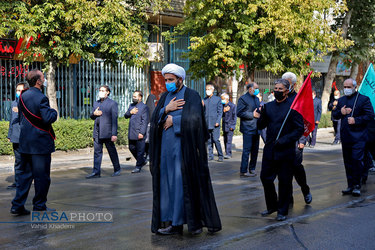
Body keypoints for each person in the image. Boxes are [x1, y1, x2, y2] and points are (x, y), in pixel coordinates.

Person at [149, 63, 221, 235]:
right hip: (165, 151)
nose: (168, 83)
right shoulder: (165, 96)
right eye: (166, 80)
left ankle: (181, 223)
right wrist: (166, 109)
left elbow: (197, 120)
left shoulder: (192, 95)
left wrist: (176, 121)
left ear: (180, 80)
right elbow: (155, 118)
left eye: (171, 80)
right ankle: (171, 222)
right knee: (167, 186)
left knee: (182, 186)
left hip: (183, 150)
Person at [11, 69, 57, 215]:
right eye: (43, 78)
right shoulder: (41, 97)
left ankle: (17, 205)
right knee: (42, 177)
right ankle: (39, 206)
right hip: (40, 144)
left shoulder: (23, 96)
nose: (44, 80)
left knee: (24, 176)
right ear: (38, 81)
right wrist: (54, 112)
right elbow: (47, 118)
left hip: (25, 142)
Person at [257, 79, 304, 221]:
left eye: (280, 89)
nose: (277, 91)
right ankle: (272, 205)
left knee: (284, 181)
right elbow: (261, 125)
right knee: (265, 177)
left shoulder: (293, 107)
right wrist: (259, 115)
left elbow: (299, 129)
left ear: (287, 91)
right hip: (270, 149)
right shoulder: (268, 106)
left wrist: (285, 140)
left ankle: (282, 210)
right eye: (275, 88)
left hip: (285, 150)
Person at [332, 78, 374, 196]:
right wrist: (342, 112)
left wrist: (356, 120)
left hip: (359, 136)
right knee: (348, 162)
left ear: (355, 87)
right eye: (345, 87)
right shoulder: (341, 100)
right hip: (346, 136)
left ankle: (357, 185)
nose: (346, 89)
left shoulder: (363, 99)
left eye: (349, 87)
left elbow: (370, 115)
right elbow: (334, 115)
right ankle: (350, 185)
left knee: (356, 160)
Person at [282, 72, 312, 205]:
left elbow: (305, 120)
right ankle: (288, 198)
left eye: (287, 84)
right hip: (282, 141)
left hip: (296, 141)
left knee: (296, 167)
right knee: (284, 171)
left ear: (293, 85)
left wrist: (302, 140)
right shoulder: (279, 99)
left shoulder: (299, 99)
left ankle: (305, 189)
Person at [86, 85, 121, 179]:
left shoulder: (112, 104)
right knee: (97, 152)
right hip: (97, 131)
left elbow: (114, 119)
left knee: (111, 151)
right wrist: (94, 114)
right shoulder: (96, 103)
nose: (100, 92)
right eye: (100, 90)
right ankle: (96, 172)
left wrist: (114, 134)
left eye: (103, 90)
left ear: (108, 92)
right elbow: (92, 116)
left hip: (107, 132)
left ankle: (117, 168)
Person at [7, 82, 28, 189]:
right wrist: (9, 134)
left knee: (26, 161)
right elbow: (12, 121)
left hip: (25, 137)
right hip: (16, 136)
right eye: (17, 90)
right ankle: (18, 182)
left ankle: (26, 181)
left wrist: (20, 110)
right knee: (18, 161)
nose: (18, 93)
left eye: (21, 91)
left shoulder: (28, 104)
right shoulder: (13, 103)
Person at [236, 82, 260, 177]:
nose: (257, 90)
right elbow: (239, 113)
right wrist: (252, 115)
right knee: (247, 150)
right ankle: (243, 170)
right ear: (250, 89)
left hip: (257, 128)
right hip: (247, 128)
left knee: (255, 150)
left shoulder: (257, 99)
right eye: (256, 88)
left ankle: (252, 168)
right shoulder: (243, 99)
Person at [125, 91, 149, 173]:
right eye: (133, 96)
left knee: (140, 150)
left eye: (135, 96)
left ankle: (138, 166)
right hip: (132, 132)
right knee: (131, 148)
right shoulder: (131, 106)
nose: (133, 98)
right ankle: (142, 161)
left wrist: (141, 133)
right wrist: (130, 112)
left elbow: (144, 121)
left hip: (139, 132)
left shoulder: (144, 107)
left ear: (140, 97)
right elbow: (125, 115)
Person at [203, 84, 224, 162]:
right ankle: (210, 156)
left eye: (208, 89)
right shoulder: (204, 100)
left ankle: (220, 155)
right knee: (208, 141)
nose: (207, 91)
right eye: (206, 89)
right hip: (207, 123)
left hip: (215, 123)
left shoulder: (217, 99)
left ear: (212, 90)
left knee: (216, 140)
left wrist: (218, 121)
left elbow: (220, 111)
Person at [221, 93, 236, 159]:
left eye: (223, 99)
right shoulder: (222, 105)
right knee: (225, 140)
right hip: (224, 126)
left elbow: (234, 116)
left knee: (229, 140)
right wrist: (223, 111)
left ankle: (228, 153)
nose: (222, 100)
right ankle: (227, 152)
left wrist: (232, 126)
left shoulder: (232, 106)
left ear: (226, 99)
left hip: (230, 125)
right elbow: (219, 114)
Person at [145, 93, 157, 160]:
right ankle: (149, 154)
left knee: (146, 141)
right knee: (150, 141)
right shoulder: (153, 108)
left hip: (145, 126)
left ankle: (146, 154)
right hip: (151, 126)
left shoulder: (145, 106)